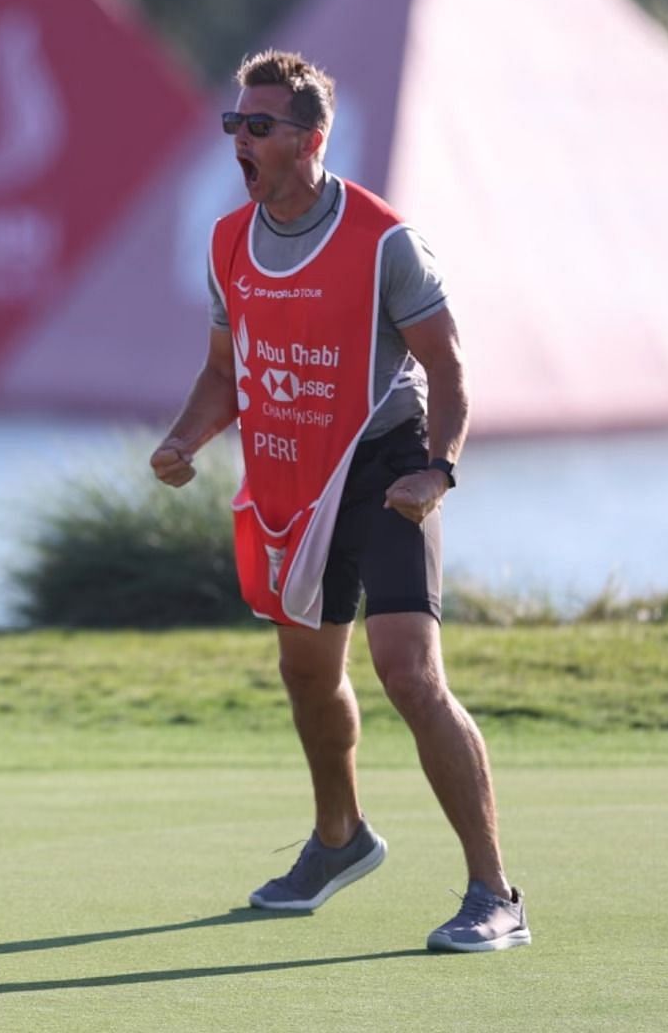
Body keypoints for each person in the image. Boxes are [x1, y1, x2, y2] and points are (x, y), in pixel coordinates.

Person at [149, 50, 529, 953]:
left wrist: (438, 470)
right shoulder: (225, 243)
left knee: (408, 673)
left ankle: (495, 893)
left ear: (310, 140)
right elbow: (222, 374)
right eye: (234, 125)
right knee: (307, 675)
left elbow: (449, 367)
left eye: (260, 127)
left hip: (385, 468)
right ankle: (339, 840)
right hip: (292, 482)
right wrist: (182, 439)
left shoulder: (385, 239)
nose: (240, 140)